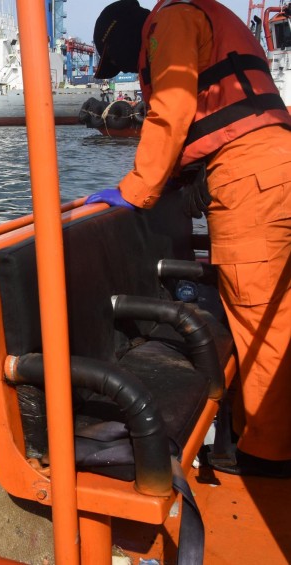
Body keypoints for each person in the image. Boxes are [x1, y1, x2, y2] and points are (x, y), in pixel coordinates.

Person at [86, 0, 291, 478]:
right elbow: (216, 112)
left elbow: (173, 104)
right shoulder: (206, 13)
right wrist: (182, 180)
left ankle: (267, 453)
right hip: (269, 164)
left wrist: (134, 191)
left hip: (250, 179)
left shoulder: (173, 18)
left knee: (262, 316)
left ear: (130, 38)